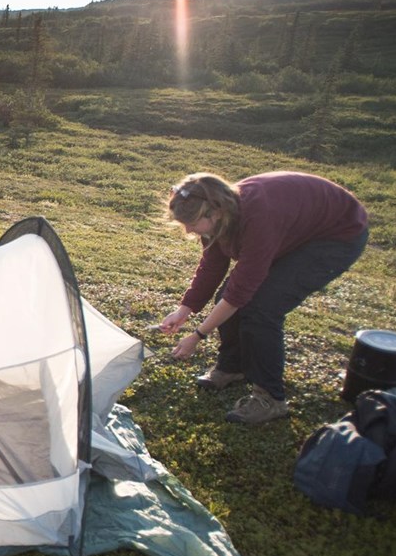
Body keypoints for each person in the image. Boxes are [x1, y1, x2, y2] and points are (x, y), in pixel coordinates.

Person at [158, 171, 369, 424]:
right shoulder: (220, 216)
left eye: (191, 223)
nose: (188, 230)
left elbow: (240, 294)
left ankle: (270, 398)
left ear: (214, 212)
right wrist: (185, 309)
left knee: (262, 308)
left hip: (335, 235)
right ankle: (233, 367)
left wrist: (198, 335)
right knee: (227, 298)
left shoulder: (258, 218)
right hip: (294, 227)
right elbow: (213, 265)